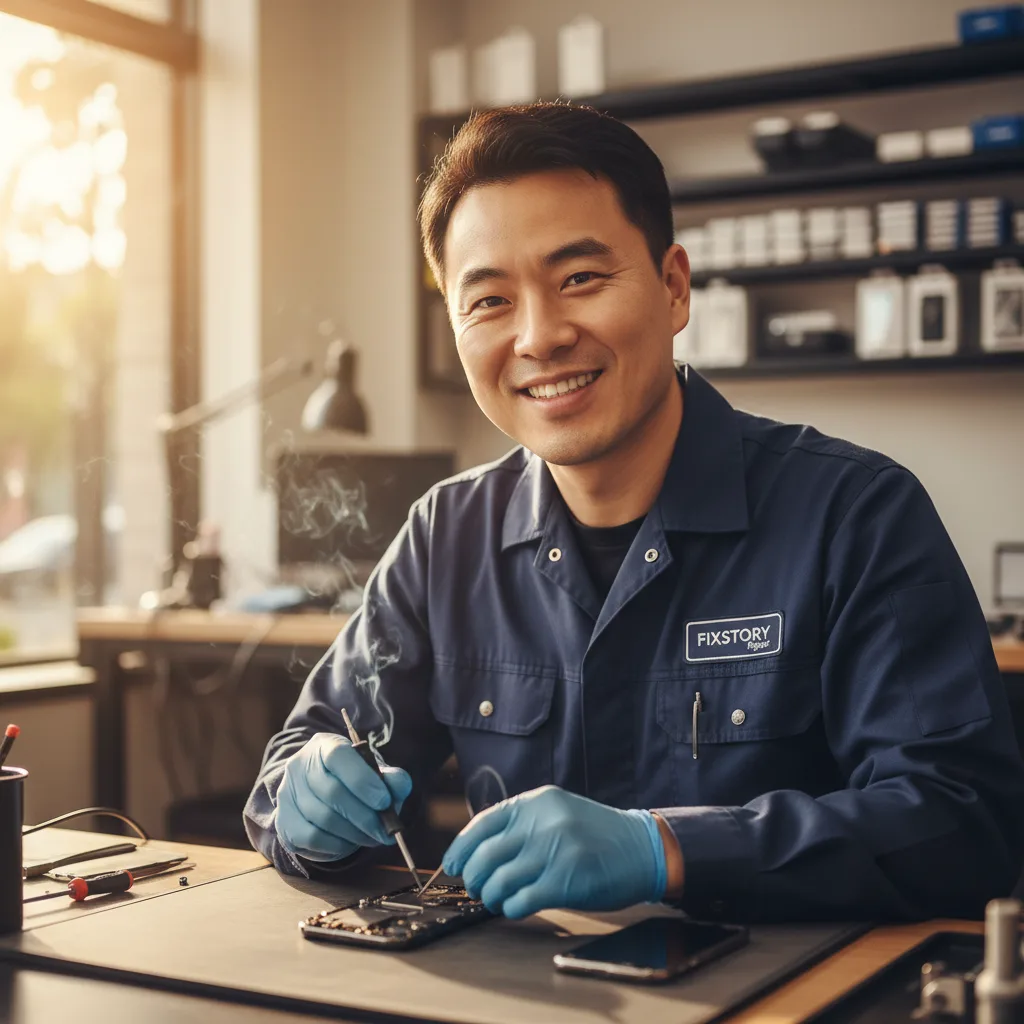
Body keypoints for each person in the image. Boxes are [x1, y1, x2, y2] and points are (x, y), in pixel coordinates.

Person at [244, 102, 1024, 923]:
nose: (540, 337)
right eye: (490, 301)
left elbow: (962, 822)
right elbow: (300, 758)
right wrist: (307, 800)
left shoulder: (855, 514)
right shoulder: (447, 536)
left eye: (579, 279)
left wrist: (671, 850)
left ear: (674, 287)